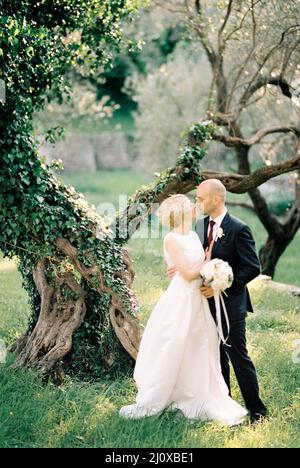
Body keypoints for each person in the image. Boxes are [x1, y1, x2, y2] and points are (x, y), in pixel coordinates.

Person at [119, 194, 247, 425]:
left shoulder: (193, 235)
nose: (195, 207)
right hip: (182, 299)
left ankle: (198, 394)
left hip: (198, 299)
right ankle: (168, 393)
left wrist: (211, 265)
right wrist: (208, 262)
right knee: (177, 343)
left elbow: (189, 267)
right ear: (181, 212)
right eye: (190, 205)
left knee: (200, 346)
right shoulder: (171, 239)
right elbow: (187, 274)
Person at [168, 180, 267, 424]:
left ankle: (257, 411)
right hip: (201, 304)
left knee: (237, 355)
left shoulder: (239, 228)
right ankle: (225, 403)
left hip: (230, 304)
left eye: (201, 198)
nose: (197, 202)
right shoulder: (199, 227)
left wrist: (222, 284)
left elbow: (253, 267)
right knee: (214, 355)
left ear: (217, 199)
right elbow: (195, 258)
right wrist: (180, 269)